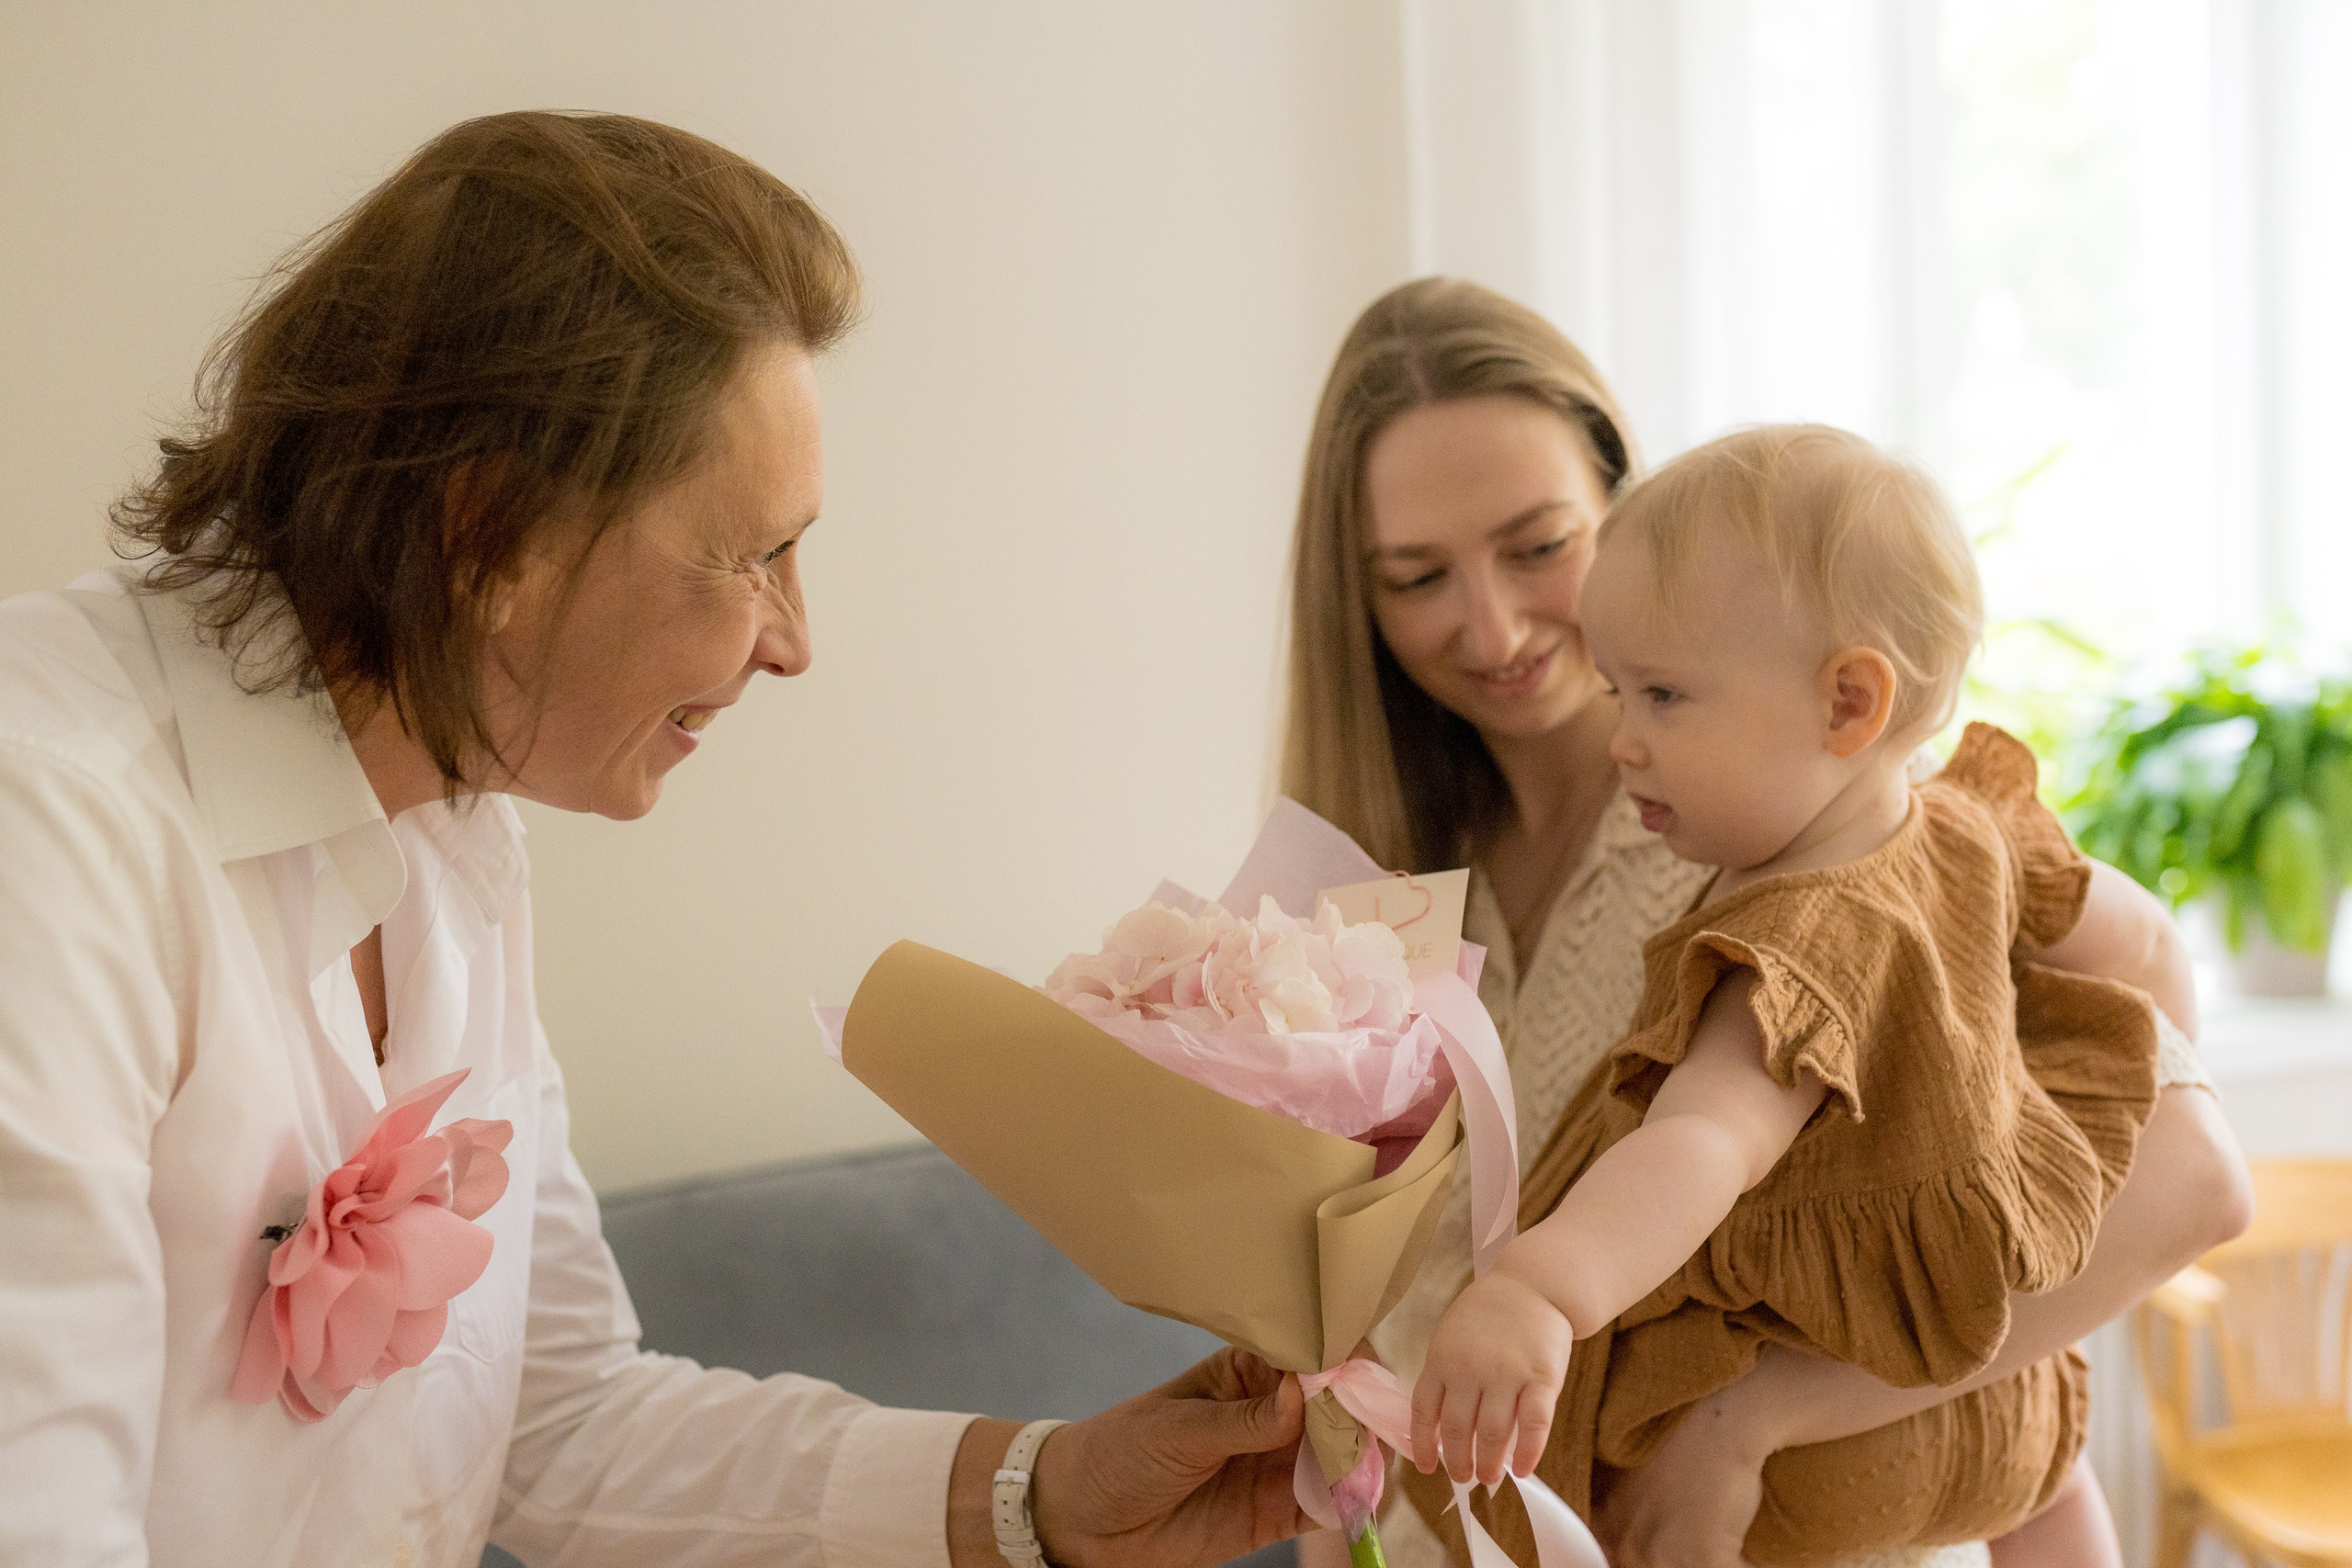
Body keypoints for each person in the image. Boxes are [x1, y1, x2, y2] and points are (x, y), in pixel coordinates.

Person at [0, 111, 1311, 1568]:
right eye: (756, 555)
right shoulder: (44, 829)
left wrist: (1045, 1494)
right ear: (492, 538)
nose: (798, 643)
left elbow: (555, 1418)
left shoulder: (454, 823)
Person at [1279, 279, 2251, 1568]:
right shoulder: (1369, 884)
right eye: (1417, 576)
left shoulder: (1813, 830)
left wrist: (1754, 1418)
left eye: (1537, 546)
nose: (1497, 625)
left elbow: (2183, 1179)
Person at [1409, 423, 2175, 1564]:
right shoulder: (1971, 831)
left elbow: (1705, 1140)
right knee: (2050, 1494)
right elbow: (2140, 944)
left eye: (1663, 696)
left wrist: (1541, 1292)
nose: (1623, 743)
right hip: (2002, 1394)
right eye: (1620, 693)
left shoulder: (1792, 939)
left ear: (1847, 705)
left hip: (1816, 1468)